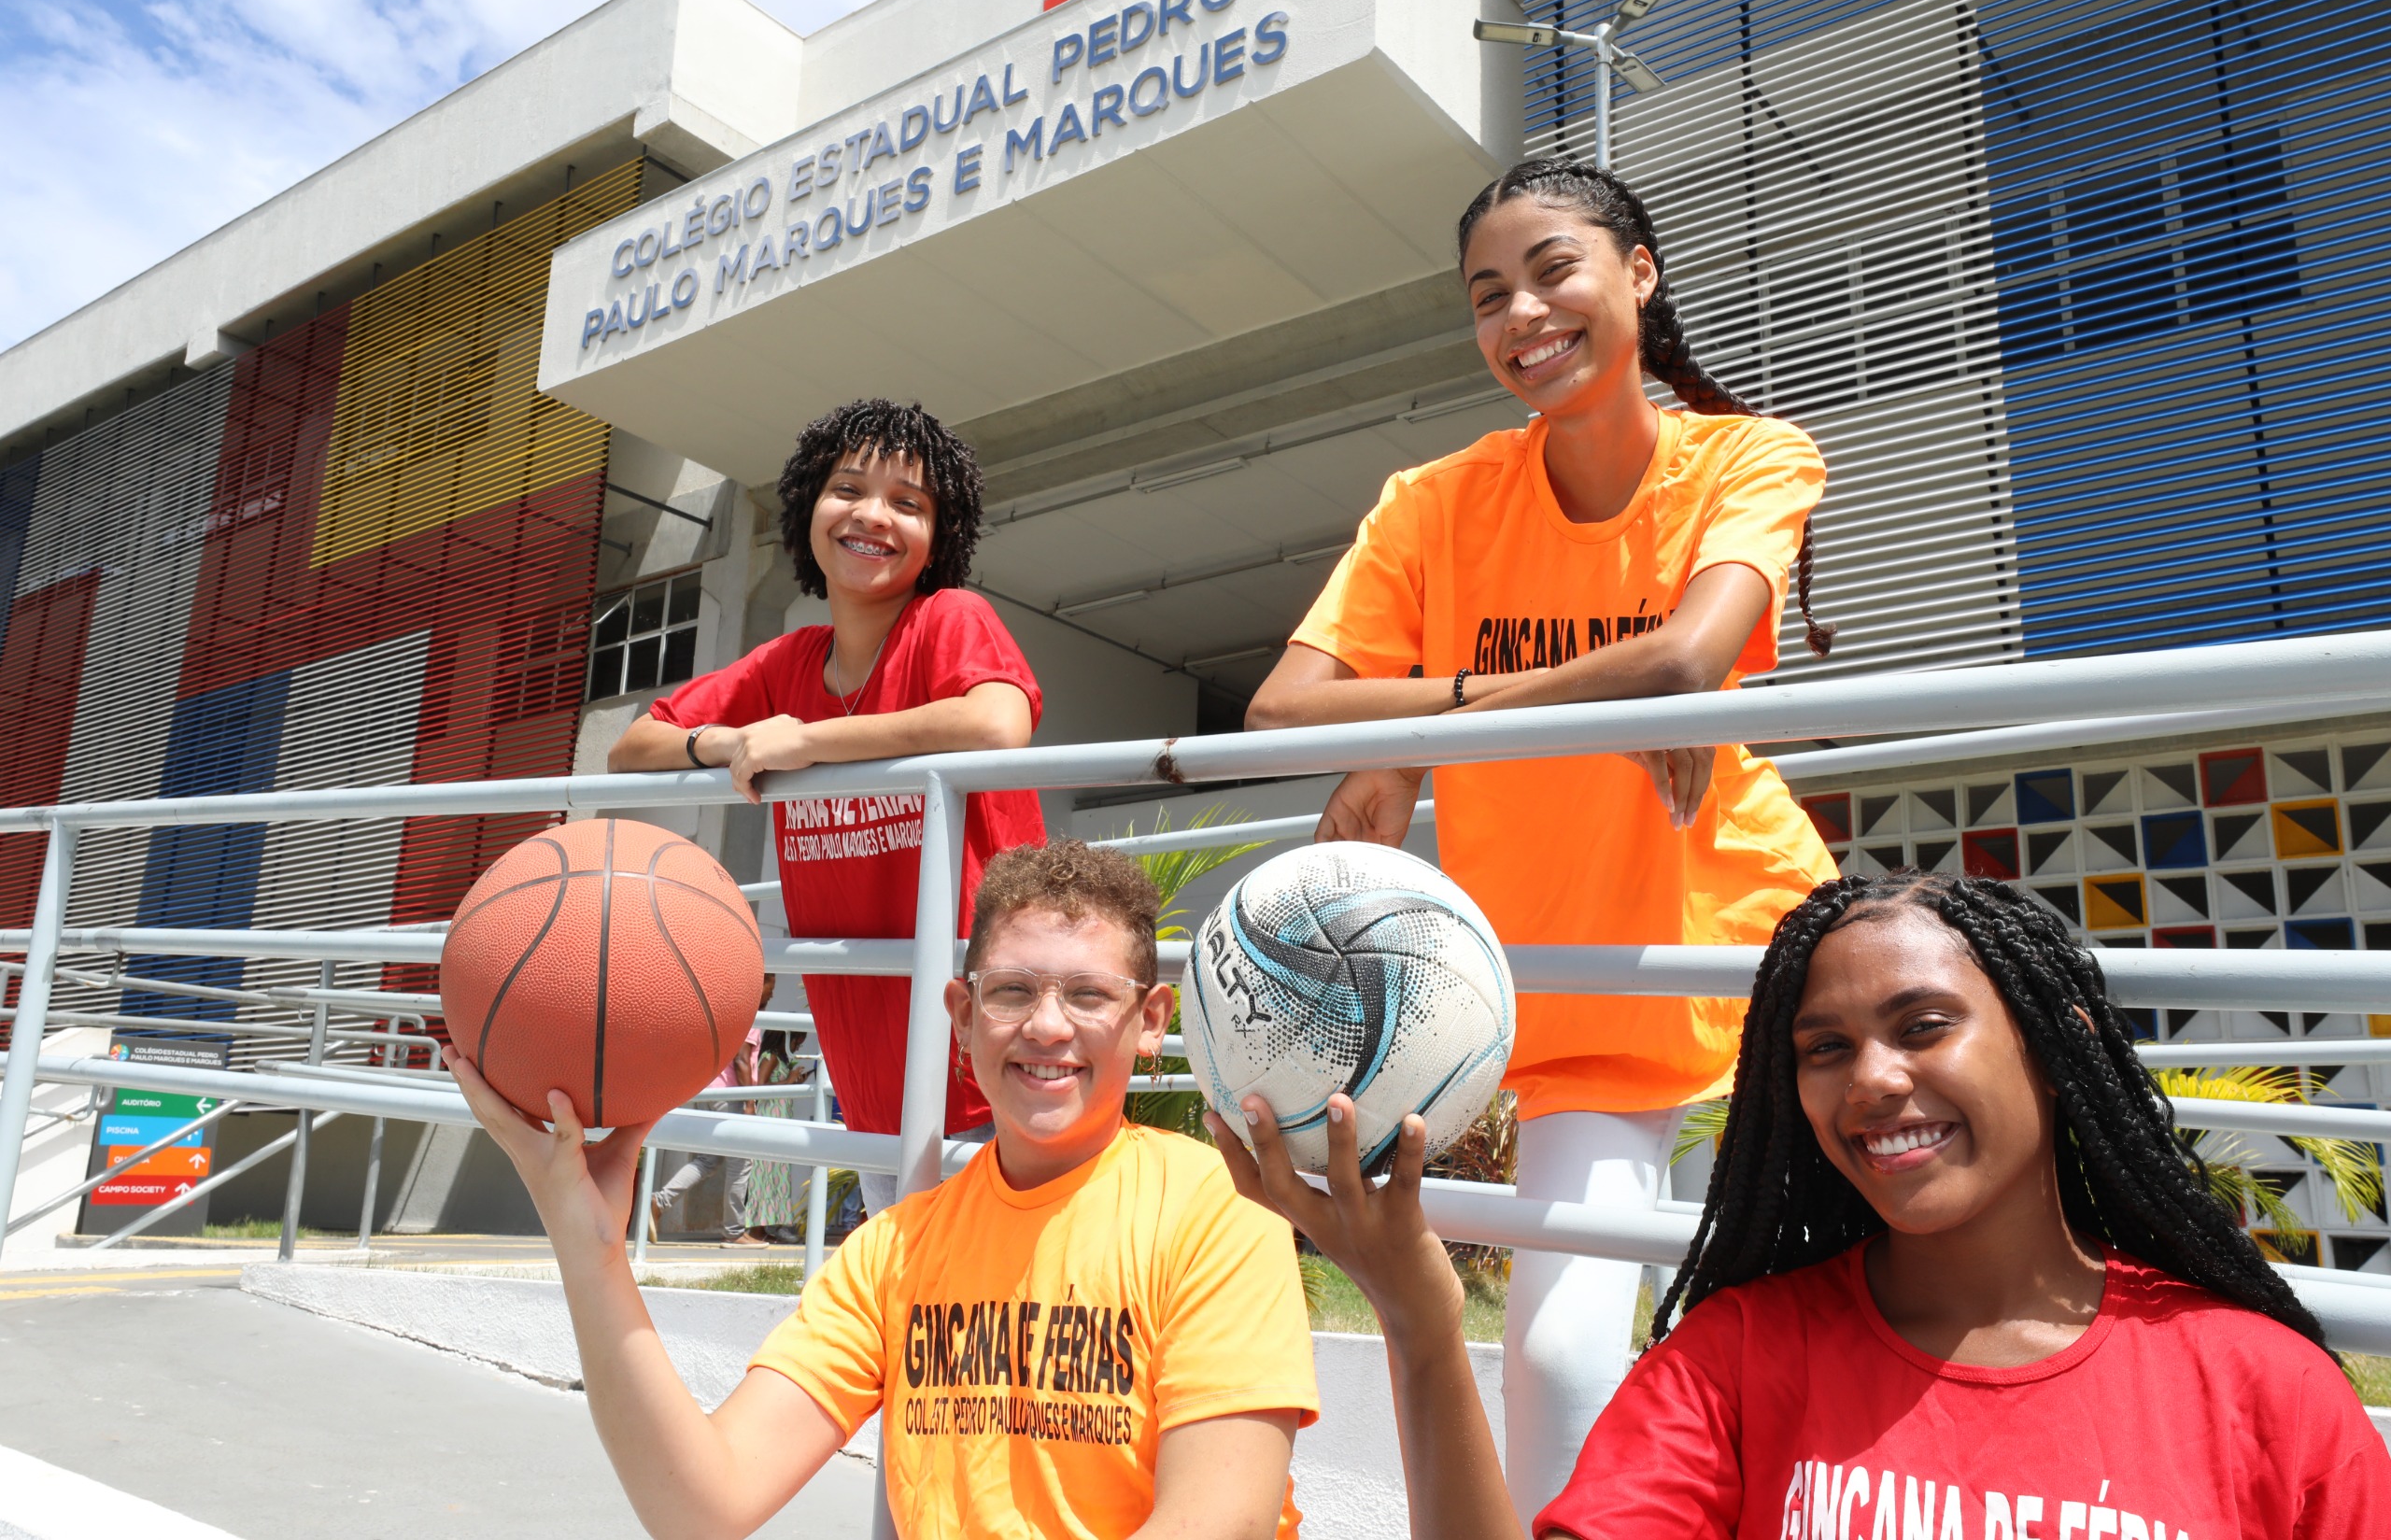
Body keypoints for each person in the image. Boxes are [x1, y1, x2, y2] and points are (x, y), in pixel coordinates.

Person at [1243, 157, 1841, 1517]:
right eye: (1487, 294)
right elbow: (1288, 702)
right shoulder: (1434, 500)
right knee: (1564, 1355)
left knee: (1819, 1354)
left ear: (1638, 272)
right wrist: (1495, 709)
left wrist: (1405, 724)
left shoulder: (1749, 454)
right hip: (1583, 994)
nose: (1524, 312)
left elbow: (1693, 656)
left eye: (1554, 269)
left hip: (1766, 957)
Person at [1214, 872, 2391, 1538]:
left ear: (2057, 1044)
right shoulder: (1733, 1361)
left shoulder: (2259, 1388)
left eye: (1924, 1025)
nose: (1872, 1078)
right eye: (1824, 1046)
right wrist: (1421, 1317)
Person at [448, 839, 1319, 1539]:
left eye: (1089, 994)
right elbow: (701, 1507)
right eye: (1012, 990)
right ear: (963, 1016)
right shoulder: (897, 1251)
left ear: (1150, 1022)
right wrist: (589, 1244)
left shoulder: (1215, 1209)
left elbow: (1222, 1520)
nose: (1048, 1024)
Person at [614, 398, 1045, 1213]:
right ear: (810, 504)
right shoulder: (789, 661)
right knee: (915, 1315)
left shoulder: (950, 620)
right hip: (870, 1072)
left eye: (908, 503)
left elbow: (996, 723)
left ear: (937, 538)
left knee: (1004, 1318)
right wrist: (727, 743)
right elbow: (635, 744)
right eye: (849, 489)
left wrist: (808, 743)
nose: (873, 516)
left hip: (990, 1062)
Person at [648, 993, 769, 1247]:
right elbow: (741, 1059)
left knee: (708, 1159)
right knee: (741, 1163)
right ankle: (734, 1232)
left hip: (710, 1089)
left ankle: (659, 1202)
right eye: (770, 984)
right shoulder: (750, 1015)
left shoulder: (729, 1010)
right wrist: (749, 1101)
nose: (772, 992)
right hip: (731, 1095)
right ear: (759, 983)